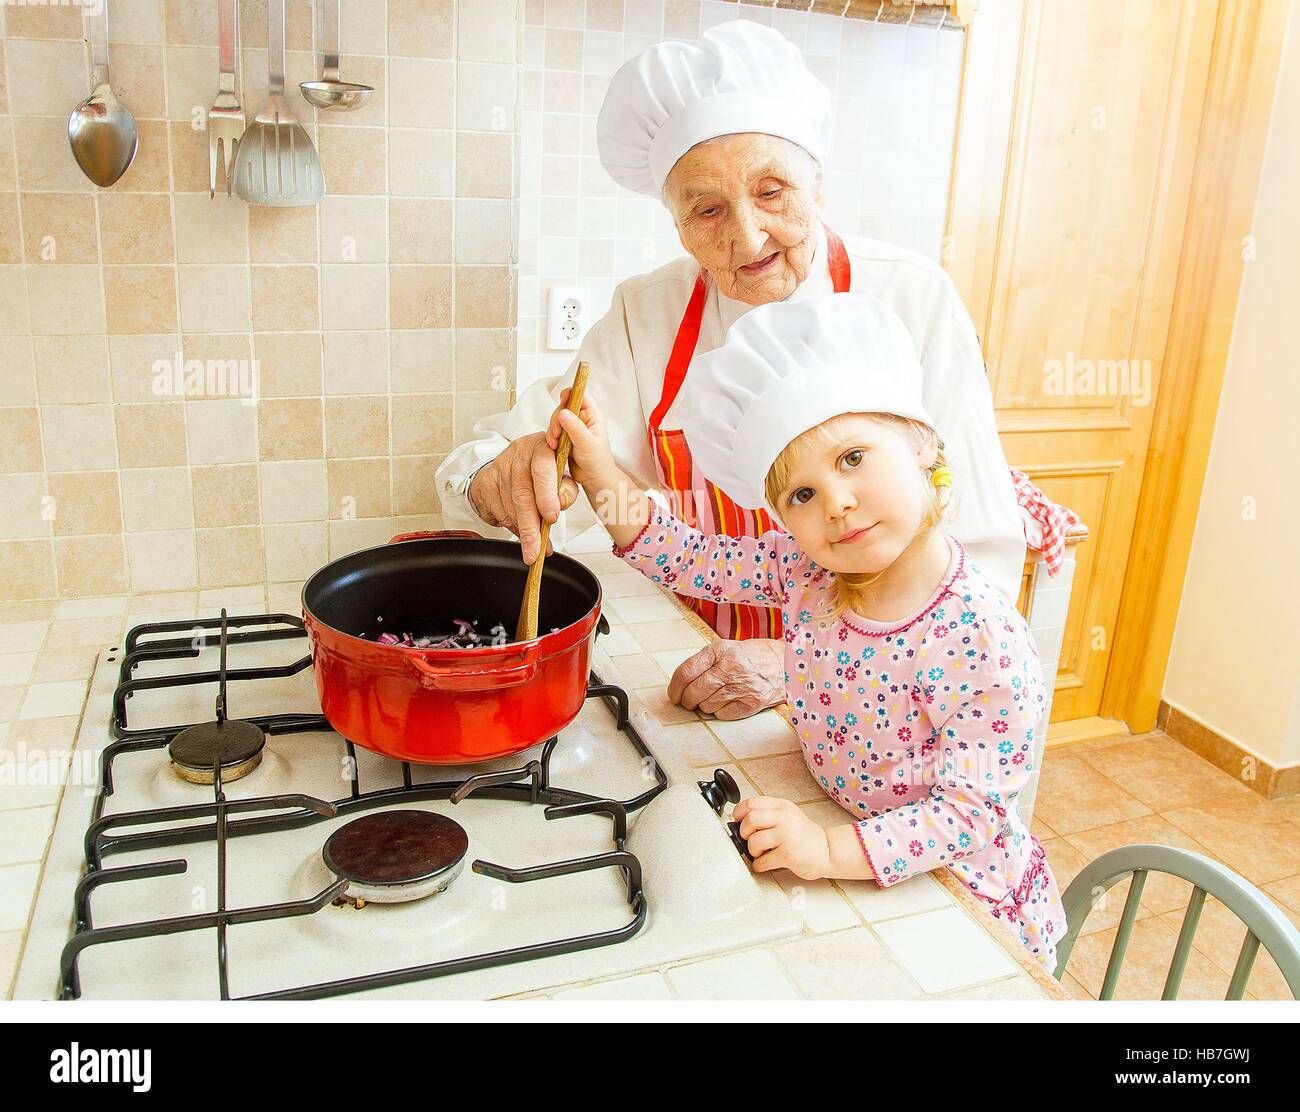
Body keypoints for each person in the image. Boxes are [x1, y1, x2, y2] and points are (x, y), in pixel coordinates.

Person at [436, 20, 1024, 723]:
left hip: (886, 695)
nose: (745, 237)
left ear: (819, 186)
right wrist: (500, 475)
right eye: (707, 210)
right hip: (696, 676)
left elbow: (983, 546)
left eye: (772, 192)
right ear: (677, 226)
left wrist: (803, 656)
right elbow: (501, 464)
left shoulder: (913, 297)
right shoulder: (644, 315)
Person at [545, 293, 1063, 971]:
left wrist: (823, 852)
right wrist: (599, 473)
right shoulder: (808, 571)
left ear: (921, 444)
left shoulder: (981, 638)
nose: (837, 505)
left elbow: (967, 818)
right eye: (802, 496)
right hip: (849, 826)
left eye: (853, 459)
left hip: (960, 895)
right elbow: (689, 556)